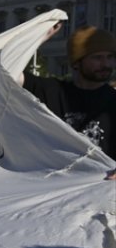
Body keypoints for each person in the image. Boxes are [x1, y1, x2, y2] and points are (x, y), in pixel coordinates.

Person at [22, 24, 115, 166]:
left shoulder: (113, 101)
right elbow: (7, 72)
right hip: (53, 182)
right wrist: (37, 39)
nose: (106, 64)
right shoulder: (51, 90)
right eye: (97, 58)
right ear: (77, 62)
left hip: (100, 185)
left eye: (110, 57)